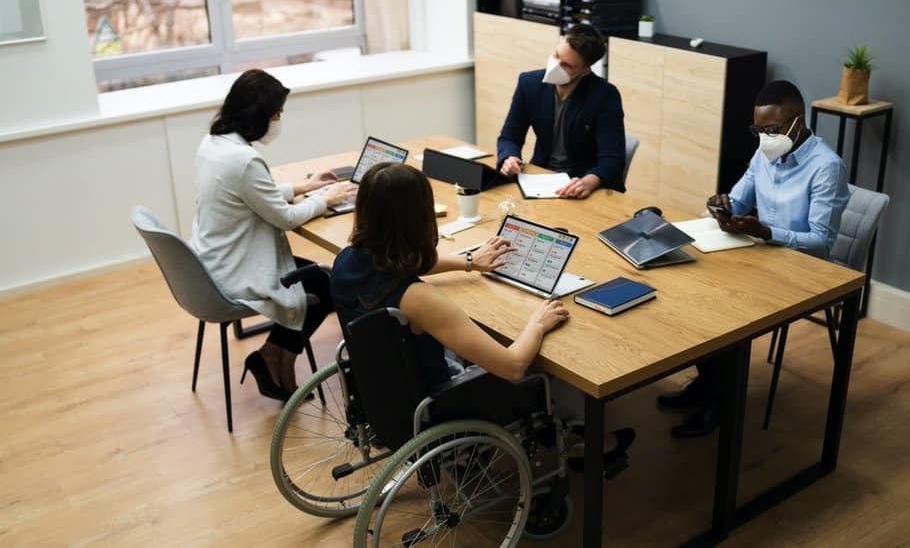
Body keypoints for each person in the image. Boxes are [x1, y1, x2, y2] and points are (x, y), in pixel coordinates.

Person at [331, 162, 634, 462]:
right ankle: (581, 437)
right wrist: (537, 325)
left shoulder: (346, 261)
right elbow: (513, 366)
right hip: (441, 402)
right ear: (418, 218)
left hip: (388, 394)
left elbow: (401, 264)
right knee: (550, 361)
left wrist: (469, 260)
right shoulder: (419, 298)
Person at [658, 80, 851, 438]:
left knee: (722, 310)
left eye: (772, 129)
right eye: (758, 130)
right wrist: (722, 207)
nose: (764, 138)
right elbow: (739, 200)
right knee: (691, 290)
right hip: (758, 256)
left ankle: (721, 401)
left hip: (801, 269)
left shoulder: (827, 167)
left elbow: (822, 243)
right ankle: (707, 384)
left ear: (798, 121)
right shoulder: (766, 153)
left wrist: (766, 233)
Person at [191, 69, 358, 402]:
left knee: (317, 281)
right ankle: (274, 356)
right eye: (276, 114)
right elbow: (285, 219)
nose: (279, 120)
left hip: (212, 261)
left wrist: (303, 187)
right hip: (236, 269)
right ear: (258, 117)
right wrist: (324, 199)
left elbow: (250, 193)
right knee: (327, 286)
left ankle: (275, 358)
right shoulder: (244, 160)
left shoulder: (214, 144)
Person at [496, 24, 626, 199]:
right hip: (540, 178)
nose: (555, 66)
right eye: (556, 56)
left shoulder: (605, 96)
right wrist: (509, 158)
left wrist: (590, 180)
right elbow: (509, 137)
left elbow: (613, 158)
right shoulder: (529, 84)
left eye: (567, 66)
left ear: (585, 70)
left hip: (580, 183)